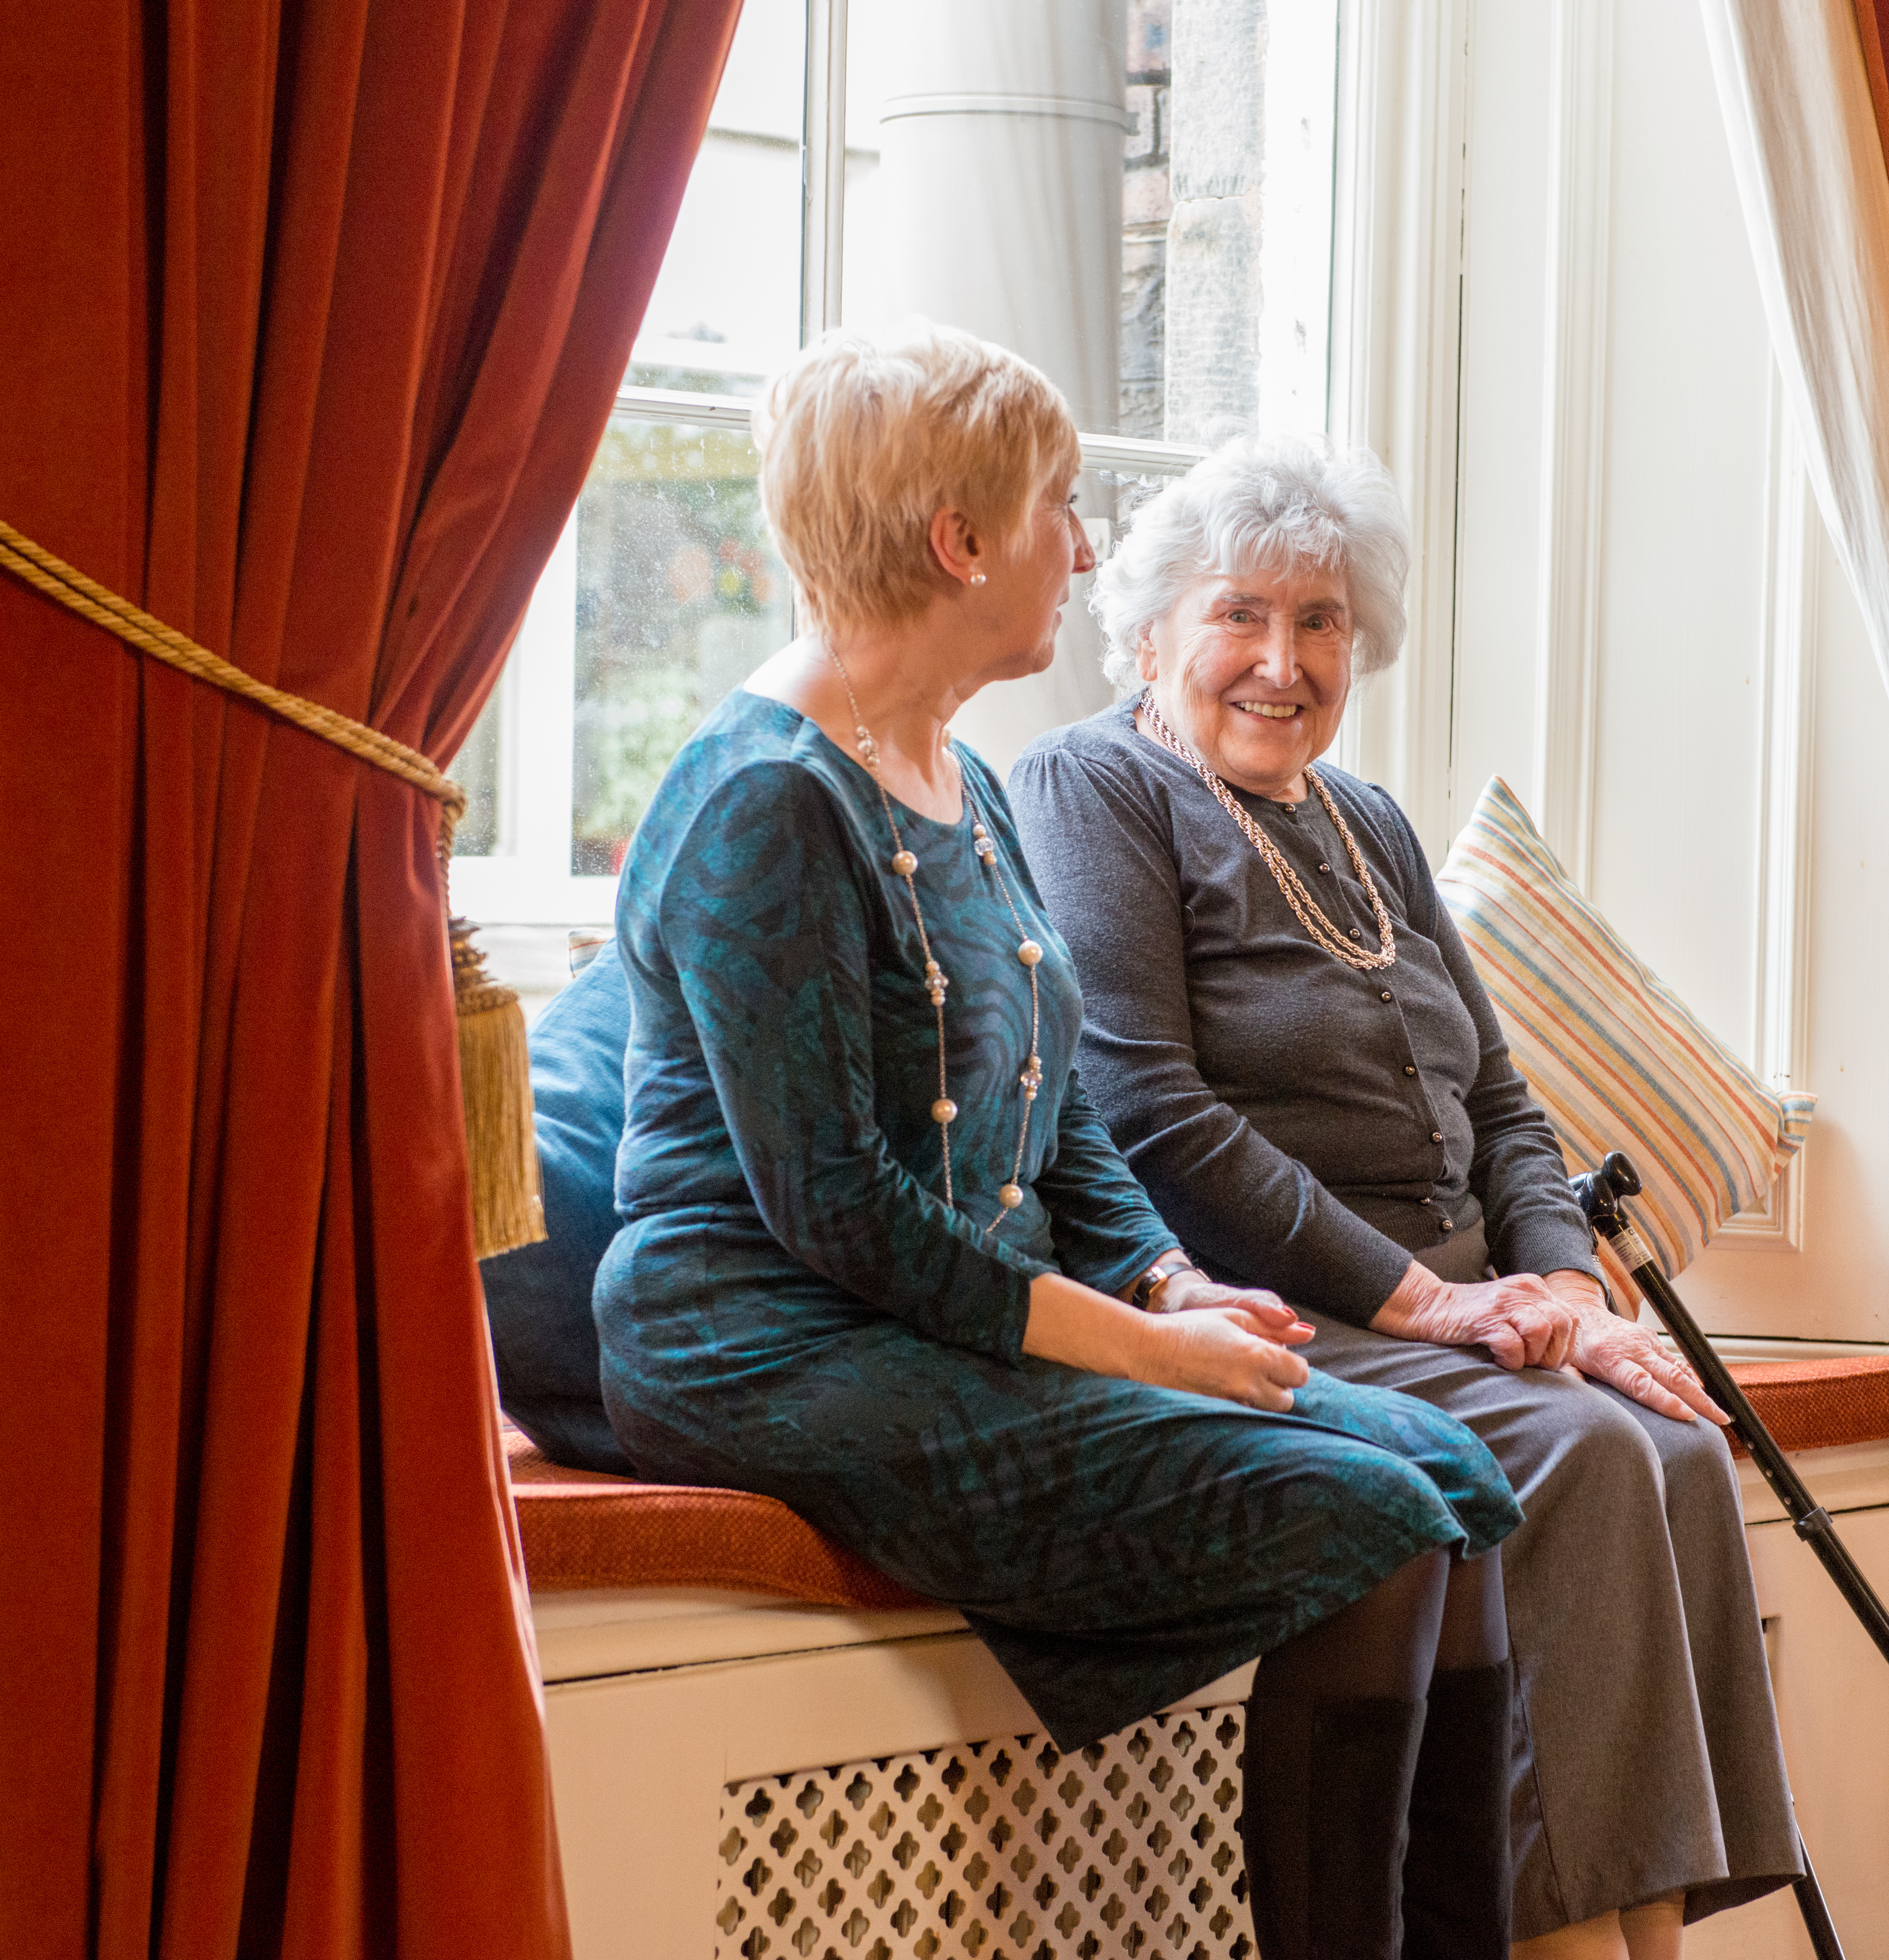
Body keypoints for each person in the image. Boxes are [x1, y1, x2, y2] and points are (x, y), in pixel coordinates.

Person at [591, 327, 1523, 1958]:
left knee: (1449, 1468)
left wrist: (1169, 1286)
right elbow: (843, 1220)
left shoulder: (963, 775)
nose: (1083, 549)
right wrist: (1149, 1360)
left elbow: (1067, 1117)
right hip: (770, 1343)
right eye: (1058, 508)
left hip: (932, 1315)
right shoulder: (764, 802)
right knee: (1364, 1520)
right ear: (961, 542)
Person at [1007, 432, 1805, 1960]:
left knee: (1676, 1446)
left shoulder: (1362, 821)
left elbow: (1503, 1100)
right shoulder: (1091, 784)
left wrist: (1563, 1285)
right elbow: (1147, 1113)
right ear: (1156, 625)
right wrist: (1436, 1302)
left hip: (1466, 1302)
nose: (1280, 661)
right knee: (1575, 1454)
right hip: (1280, 1305)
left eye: (1319, 625)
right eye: (1240, 615)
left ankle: (1645, 1950)